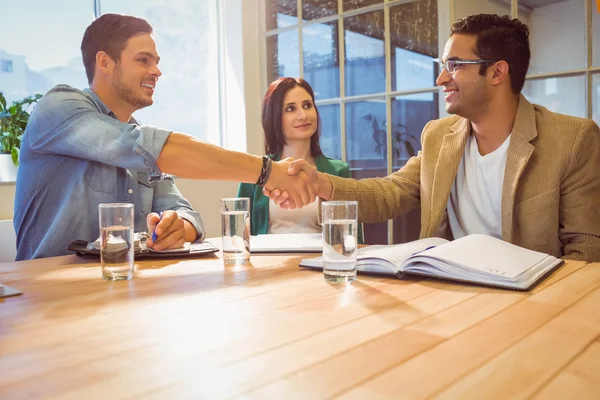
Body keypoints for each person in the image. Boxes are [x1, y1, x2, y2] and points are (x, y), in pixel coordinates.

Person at [267, 13, 600, 261]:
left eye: (454, 65)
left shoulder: (573, 139)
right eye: (443, 65)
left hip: (530, 307)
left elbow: (586, 254)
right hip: (447, 292)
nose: (441, 78)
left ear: (498, 72)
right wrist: (321, 182)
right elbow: (390, 193)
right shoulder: (438, 136)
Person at [14, 13, 315, 260]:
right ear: (104, 62)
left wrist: (178, 228)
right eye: (143, 60)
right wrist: (267, 171)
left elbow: (189, 215)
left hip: (121, 293)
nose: (157, 71)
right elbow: (154, 148)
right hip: (47, 297)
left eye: (156, 61)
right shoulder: (60, 107)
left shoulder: (137, 142)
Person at [237, 77, 363, 242]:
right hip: (269, 264)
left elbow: (353, 239)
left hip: (321, 263)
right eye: (290, 109)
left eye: (307, 105)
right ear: (273, 117)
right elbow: (238, 237)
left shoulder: (339, 171)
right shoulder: (256, 170)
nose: (303, 115)